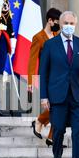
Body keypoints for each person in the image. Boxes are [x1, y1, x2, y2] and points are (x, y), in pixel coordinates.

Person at [39, 11, 79, 158]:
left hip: (77, 95)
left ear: (75, 24)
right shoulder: (50, 45)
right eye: (66, 23)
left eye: (72, 23)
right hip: (57, 95)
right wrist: (44, 96)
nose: (69, 26)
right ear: (60, 24)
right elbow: (43, 72)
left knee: (78, 132)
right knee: (58, 130)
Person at [28, 8, 62, 147]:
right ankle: (40, 121)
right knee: (55, 105)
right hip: (47, 77)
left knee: (60, 106)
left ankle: (51, 137)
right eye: (57, 22)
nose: (58, 26)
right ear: (50, 21)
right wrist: (30, 81)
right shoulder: (38, 37)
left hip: (60, 76)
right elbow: (32, 60)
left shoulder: (57, 36)